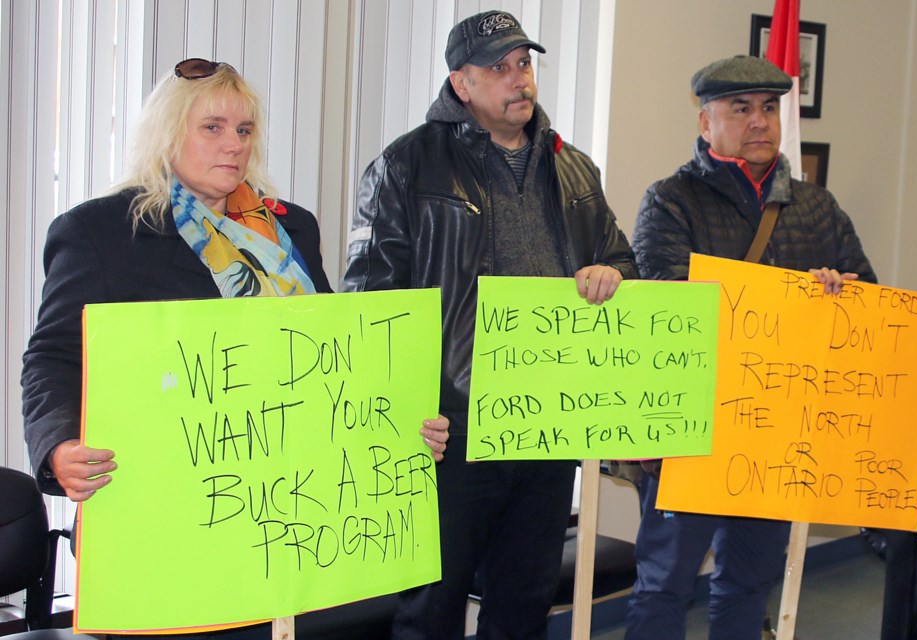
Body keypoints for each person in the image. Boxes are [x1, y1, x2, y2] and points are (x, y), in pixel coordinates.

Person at [21, 59, 449, 637]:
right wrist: (57, 447)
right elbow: (52, 356)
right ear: (168, 133)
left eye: (245, 131)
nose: (233, 145)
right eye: (213, 127)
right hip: (170, 520)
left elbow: (331, 355)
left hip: (292, 515)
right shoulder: (102, 232)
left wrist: (401, 425)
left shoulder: (289, 230)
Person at [341, 10, 638, 640]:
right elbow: (369, 299)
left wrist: (609, 275)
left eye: (524, 63)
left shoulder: (574, 169)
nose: (518, 79)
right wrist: (403, 410)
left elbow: (620, 262)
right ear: (461, 84)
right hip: (450, 428)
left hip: (548, 419)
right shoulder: (406, 166)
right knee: (432, 605)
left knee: (524, 601)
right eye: (497, 68)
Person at [626, 55, 877, 640]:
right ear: (705, 122)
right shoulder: (669, 200)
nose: (760, 121)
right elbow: (663, 306)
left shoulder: (818, 206)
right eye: (741, 108)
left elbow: (870, 300)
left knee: (748, 582)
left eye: (769, 107)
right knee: (664, 584)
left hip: (777, 431)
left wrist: (841, 295)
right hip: (692, 428)